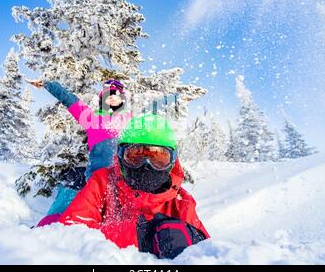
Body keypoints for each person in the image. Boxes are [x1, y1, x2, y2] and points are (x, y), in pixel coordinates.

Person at [37, 113, 209, 259]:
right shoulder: (103, 182)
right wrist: (141, 237)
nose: (146, 165)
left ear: (172, 162)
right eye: (134, 155)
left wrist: (194, 237)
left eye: (158, 158)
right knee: (50, 221)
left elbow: (210, 253)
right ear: (120, 156)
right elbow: (72, 233)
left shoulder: (181, 201)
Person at [28, 78, 133, 215]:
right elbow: (70, 100)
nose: (112, 97)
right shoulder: (92, 119)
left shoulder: (132, 121)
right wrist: (49, 85)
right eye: (108, 94)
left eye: (116, 94)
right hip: (97, 183)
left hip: (125, 183)